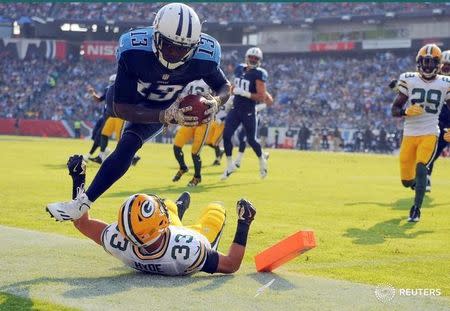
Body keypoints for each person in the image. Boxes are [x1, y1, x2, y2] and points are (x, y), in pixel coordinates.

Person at [46, 3, 231, 222]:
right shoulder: (134, 51)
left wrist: (217, 101)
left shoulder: (205, 57)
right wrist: (164, 116)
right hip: (133, 102)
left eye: (181, 49)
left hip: (164, 105)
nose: (173, 54)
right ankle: (81, 202)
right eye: (168, 46)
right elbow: (121, 107)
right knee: (113, 110)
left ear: (194, 46)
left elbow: (225, 87)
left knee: (128, 146)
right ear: (155, 36)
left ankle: (81, 204)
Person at [53, 155, 256, 275]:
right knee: (215, 211)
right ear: (161, 223)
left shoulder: (120, 241)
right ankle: (176, 210)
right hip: (186, 236)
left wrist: (78, 179)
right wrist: (244, 223)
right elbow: (231, 264)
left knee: (167, 205)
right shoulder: (190, 249)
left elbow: (81, 223)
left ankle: (176, 208)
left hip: (164, 236)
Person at [391, 44, 450, 222]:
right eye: (425, 61)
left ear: (438, 64)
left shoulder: (445, 83)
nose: (428, 65)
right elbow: (395, 108)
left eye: (432, 62)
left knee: (421, 167)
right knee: (406, 180)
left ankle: (416, 209)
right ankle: (419, 186)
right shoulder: (408, 79)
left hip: (431, 132)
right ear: (419, 62)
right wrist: (404, 112)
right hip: (410, 134)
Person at [221, 47, 273, 180]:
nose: (253, 60)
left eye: (256, 58)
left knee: (251, 139)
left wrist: (245, 93)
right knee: (226, 135)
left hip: (249, 111)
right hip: (236, 108)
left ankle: (262, 159)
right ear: (247, 57)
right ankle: (230, 164)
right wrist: (229, 98)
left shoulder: (259, 74)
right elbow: (234, 86)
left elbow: (261, 96)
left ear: (259, 60)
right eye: (251, 57)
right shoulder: (239, 68)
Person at [87, 75, 141, 166]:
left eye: (113, 82)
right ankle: (101, 156)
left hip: (121, 117)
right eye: (111, 82)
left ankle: (133, 156)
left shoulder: (125, 89)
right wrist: (93, 94)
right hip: (111, 116)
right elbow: (100, 99)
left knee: (121, 140)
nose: (112, 84)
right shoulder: (108, 89)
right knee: (104, 134)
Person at [172, 80, 212, 187]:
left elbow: (220, 96)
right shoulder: (190, 79)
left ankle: (197, 177)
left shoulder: (211, 79)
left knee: (195, 152)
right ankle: (183, 167)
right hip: (189, 118)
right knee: (177, 146)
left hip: (204, 120)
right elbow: (182, 97)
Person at [234, 100, 271, 168]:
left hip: (253, 117)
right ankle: (263, 155)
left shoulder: (255, 93)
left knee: (244, 138)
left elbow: (261, 104)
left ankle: (238, 161)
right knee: (248, 139)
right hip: (247, 116)